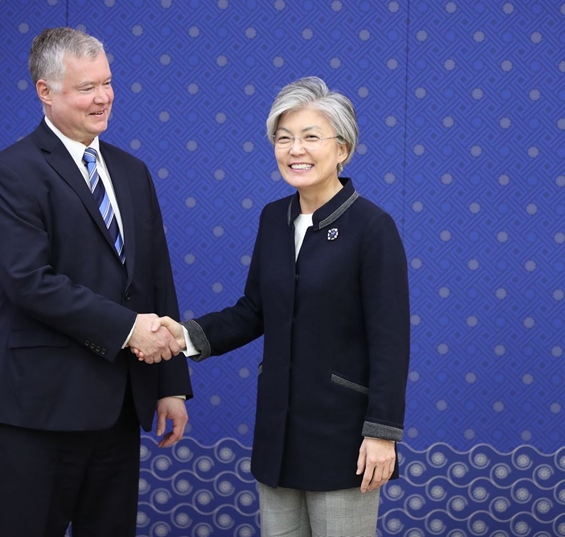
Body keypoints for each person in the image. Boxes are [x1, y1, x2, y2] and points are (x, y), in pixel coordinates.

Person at [142, 77, 410, 536]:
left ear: (342, 149)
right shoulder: (273, 218)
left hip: (344, 439)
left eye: (310, 137)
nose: (294, 150)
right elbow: (253, 311)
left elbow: (391, 339)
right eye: (283, 138)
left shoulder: (372, 227)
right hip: (277, 436)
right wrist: (184, 336)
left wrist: (382, 432)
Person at [0, 27, 192, 537]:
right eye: (86, 88)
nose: (103, 98)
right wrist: (128, 330)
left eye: (108, 83)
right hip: (40, 410)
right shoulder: (10, 172)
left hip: (120, 407)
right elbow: (29, 281)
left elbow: (156, 277)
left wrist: (170, 386)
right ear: (44, 92)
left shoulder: (131, 171)